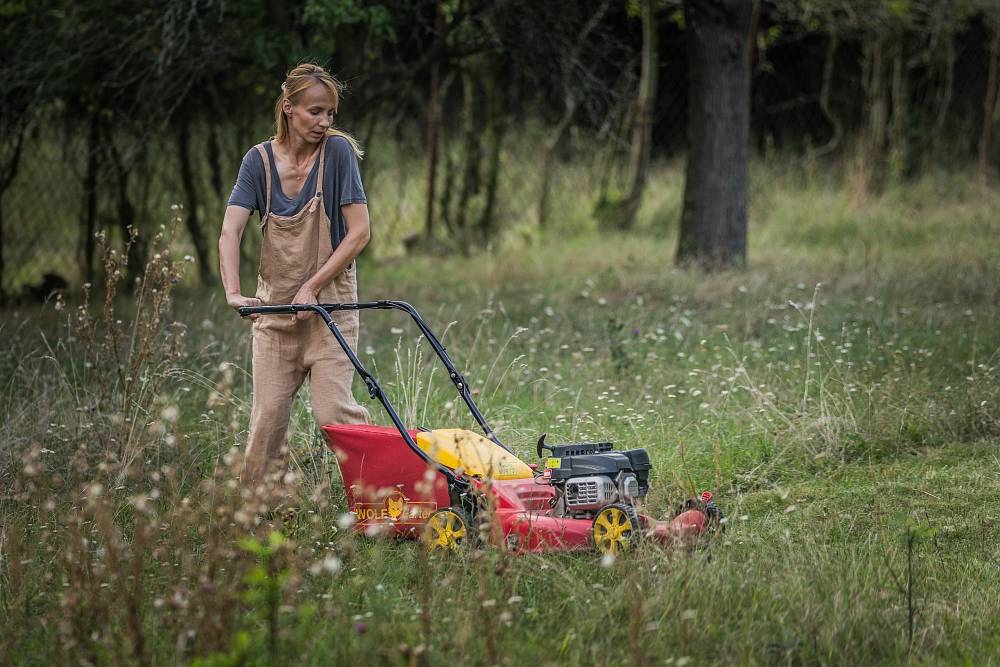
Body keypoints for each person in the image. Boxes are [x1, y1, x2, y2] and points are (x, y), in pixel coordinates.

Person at [219, 63, 371, 487]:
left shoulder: (337, 154)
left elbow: (359, 232)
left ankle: (382, 495)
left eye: (330, 115)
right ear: (289, 108)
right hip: (275, 314)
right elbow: (230, 231)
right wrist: (234, 292)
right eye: (315, 112)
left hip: (329, 314)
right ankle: (263, 514)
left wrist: (313, 286)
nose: (324, 123)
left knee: (332, 414)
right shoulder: (258, 162)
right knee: (267, 420)